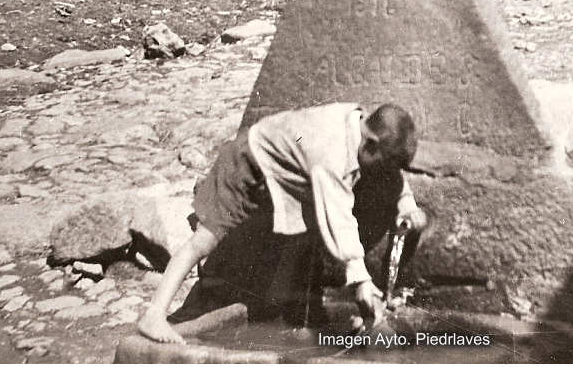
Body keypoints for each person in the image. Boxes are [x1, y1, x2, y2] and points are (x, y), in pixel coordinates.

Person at [137, 102, 427, 344]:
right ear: (371, 144)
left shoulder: (364, 129)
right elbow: (339, 219)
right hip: (245, 163)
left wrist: (406, 202)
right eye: (385, 164)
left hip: (282, 174)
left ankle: (286, 315)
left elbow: (389, 172)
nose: (385, 174)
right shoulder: (329, 152)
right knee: (204, 241)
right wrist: (361, 280)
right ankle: (154, 315)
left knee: (300, 237)